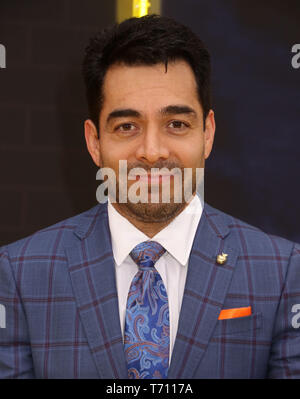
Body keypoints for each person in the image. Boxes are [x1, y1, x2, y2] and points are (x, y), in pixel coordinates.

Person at [0, 14, 299, 379]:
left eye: (176, 124)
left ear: (207, 134)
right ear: (94, 142)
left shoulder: (283, 272)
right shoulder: (20, 274)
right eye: (127, 126)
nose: (153, 151)